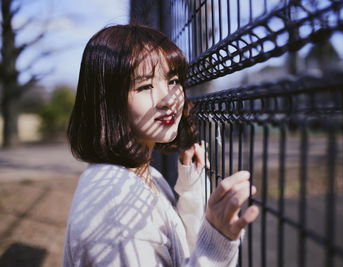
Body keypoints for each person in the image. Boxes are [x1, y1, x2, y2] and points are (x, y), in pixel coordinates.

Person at [63, 23, 259, 267]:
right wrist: (218, 242)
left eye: (173, 81)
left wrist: (191, 192)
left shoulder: (144, 175)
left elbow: (178, 254)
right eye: (145, 86)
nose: (168, 100)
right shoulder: (117, 210)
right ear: (108, 101)